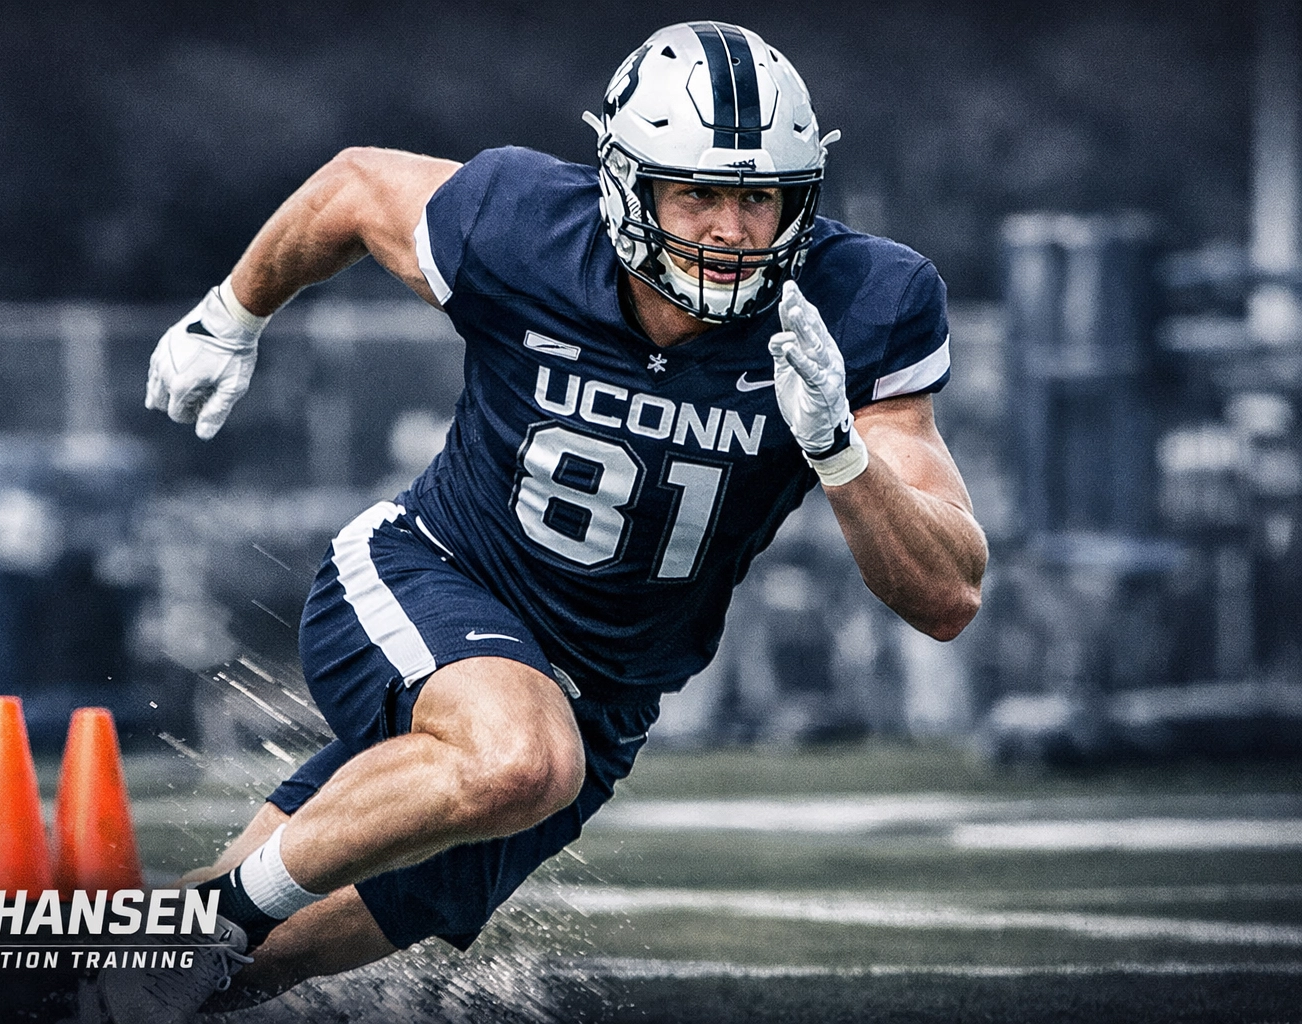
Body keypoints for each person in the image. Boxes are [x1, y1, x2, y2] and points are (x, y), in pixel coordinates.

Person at [113, 19, 987, 1021]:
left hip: (604, 695)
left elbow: (948, 594)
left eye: (760, 197)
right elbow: (354, 187)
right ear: (624, 183)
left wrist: (840, 452)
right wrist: (232, 314)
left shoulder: (863, 300)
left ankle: (102, 967)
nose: (732, 228)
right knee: (517, 760)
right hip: (432, 576)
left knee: (247, 969)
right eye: (696, 192)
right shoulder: (525, 224)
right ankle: (208, 917)